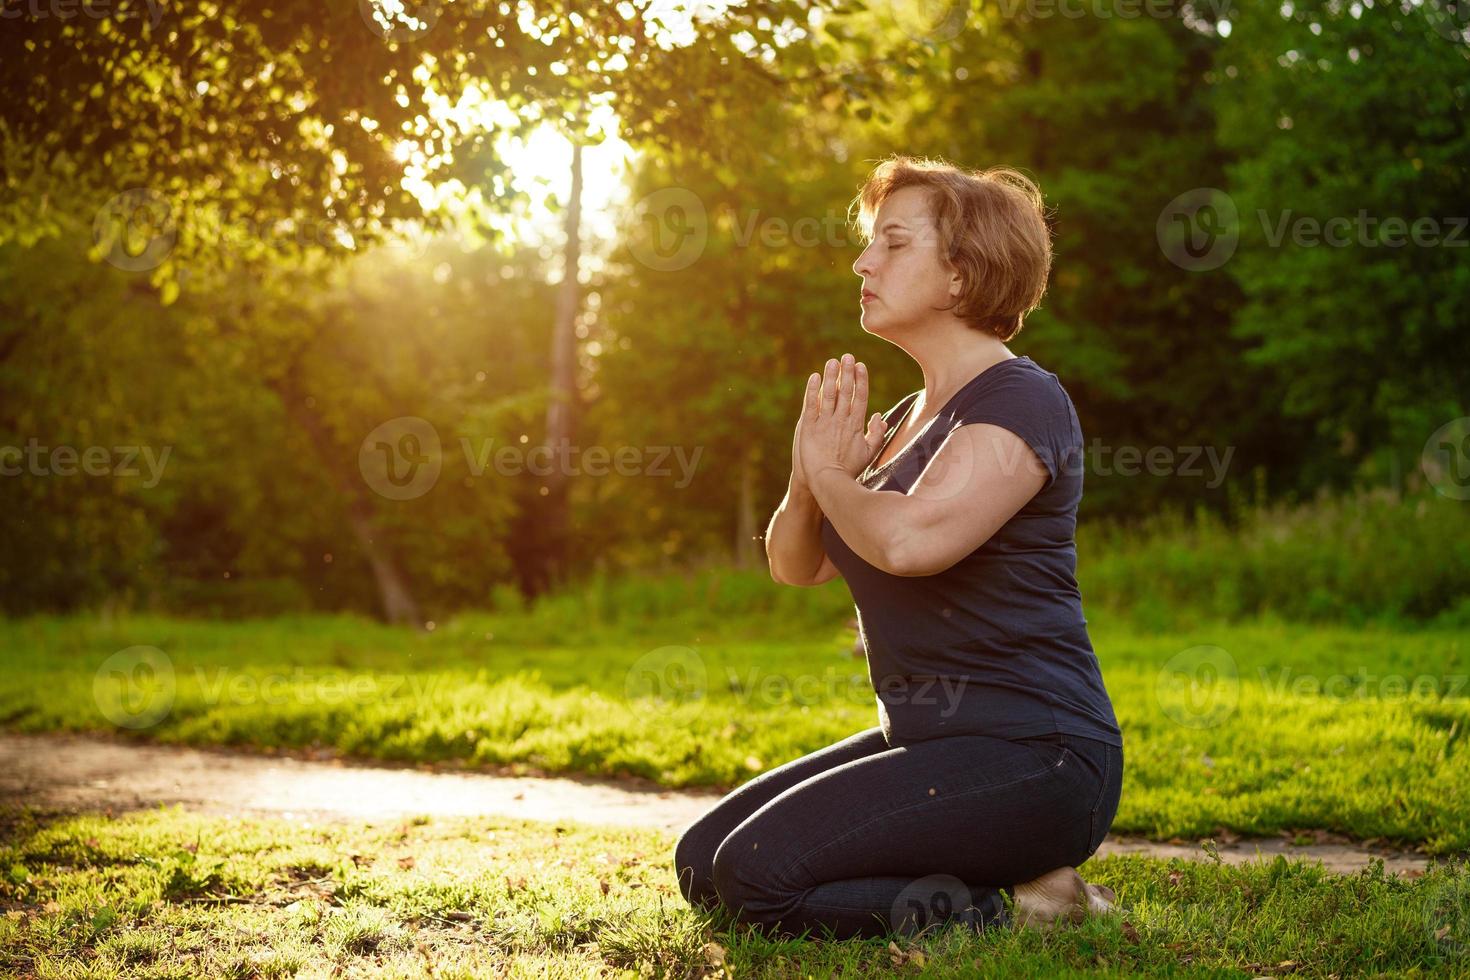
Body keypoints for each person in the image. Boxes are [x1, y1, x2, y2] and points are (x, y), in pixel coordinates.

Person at [672, 155, 1124, 942]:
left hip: (1037, 755)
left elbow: (912, 541)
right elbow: (797, 564)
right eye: (868, 243)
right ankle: (995, 876)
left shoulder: (1022, 399)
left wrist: (832, 475)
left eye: (892, 243)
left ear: (961, 275)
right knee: (701, 862)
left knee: (754, 878)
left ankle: (1030, 907)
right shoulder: (910, 413)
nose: (862, 261)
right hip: (923, 740)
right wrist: (809, 475)